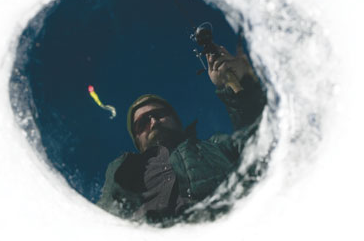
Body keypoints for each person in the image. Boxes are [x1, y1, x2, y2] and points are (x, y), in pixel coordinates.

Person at [97, 44, 267, 223]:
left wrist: (239, 84)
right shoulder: (126, 170)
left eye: (160, 114)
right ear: (137, 140)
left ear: (176, 121)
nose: (153, 122)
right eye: (143, 123)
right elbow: (106, 219)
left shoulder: (219, 145)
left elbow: (261, 140)